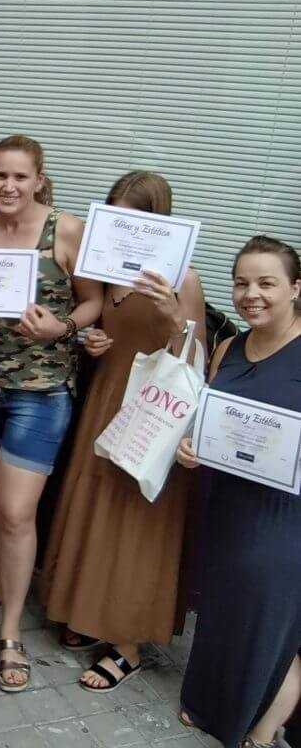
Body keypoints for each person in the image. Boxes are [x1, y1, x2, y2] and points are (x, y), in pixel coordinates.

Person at [0, 135, 103, 694]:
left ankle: (12, 628)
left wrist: (61, 327)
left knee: (16, 509)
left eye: (19, 177)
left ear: (39, 179)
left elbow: (94, 300)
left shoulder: (65, 230)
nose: (8, 187)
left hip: (41, 392)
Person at [38, 171, 206, 691]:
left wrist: (174, 316)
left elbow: (195, 360)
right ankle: (87, 615)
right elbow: (103, 332)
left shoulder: (184, 279)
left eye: (138, 219)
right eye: (116, 215)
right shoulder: (108, 271)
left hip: (152, 409)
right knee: (96, 512)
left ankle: (129, 644)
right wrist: (93, 341)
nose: (126, 228)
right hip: (107, 396)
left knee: (136, 523)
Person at [175, 236, 301, 748]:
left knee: (274, 627)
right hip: (227, 504)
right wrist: (191, 445)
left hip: (284, 517)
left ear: (296, 288)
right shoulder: (228, 346)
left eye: (267, 283)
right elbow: (207, 418)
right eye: (242, 283)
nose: (252, 294)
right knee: (224, 608)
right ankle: (211, 703)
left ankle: (264, 730)